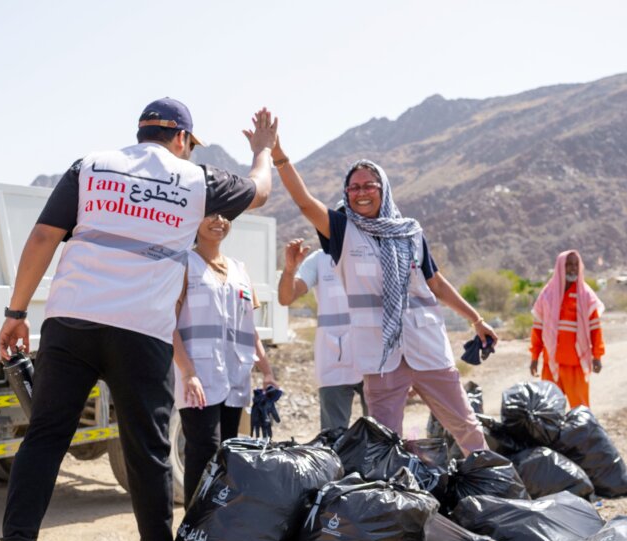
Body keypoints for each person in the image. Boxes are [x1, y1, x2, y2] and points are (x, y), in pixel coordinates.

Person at [0, 98, 278, 541]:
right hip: (141, 330)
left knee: (46, 439)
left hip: (72, 319)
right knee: (147, 451)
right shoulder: (196, 179)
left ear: (141, 132)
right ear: (182, 139)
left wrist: (16, 312)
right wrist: (262, 149)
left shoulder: (91, 166)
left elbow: (44, 236)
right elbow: (260, 191)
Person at [271, 138, 496, 454]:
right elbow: (305, 203)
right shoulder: (345, 233)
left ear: (384, 189)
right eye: (354, 187)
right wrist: (279, 156)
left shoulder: (410, 233)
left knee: (465, 425)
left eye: (369, 185)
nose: (361, 192)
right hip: (381, 355)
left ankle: (491, 478)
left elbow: (436, 283)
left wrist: (476, 319)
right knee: (383, 441)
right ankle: (392, 487)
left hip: (426, 345)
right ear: (346, 194)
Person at [172, 213, 277, 506]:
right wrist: (187, 372)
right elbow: (168, 323)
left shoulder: (240, 270)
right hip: (198, 377)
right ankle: (194, 523)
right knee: (204, 450)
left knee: (229, 452)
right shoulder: (184, 265)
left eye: (225, 215)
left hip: (236, 377)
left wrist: (267, 371)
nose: (219, 220)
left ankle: (219, 521)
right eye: (210, 214)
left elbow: (250, 329)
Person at [277, 239, 367, 431]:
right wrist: (290, 270)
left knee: (381, 435)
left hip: (373, 356)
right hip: (333, 359)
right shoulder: (320, 259)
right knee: (333, 435)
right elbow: (286, 298)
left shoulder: (373, 252)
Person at [529, 250, 605, 409]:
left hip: (576, 365)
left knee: (580, 411)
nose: (573, 269)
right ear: (560, 267)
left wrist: (597, 355)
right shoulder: (547, 294)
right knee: (549, 410)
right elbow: (538, 329)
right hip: (551, 364)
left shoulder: (586, 295)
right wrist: (534, 357)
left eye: (576, 265)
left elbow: (595, 329)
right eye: (568, 265)